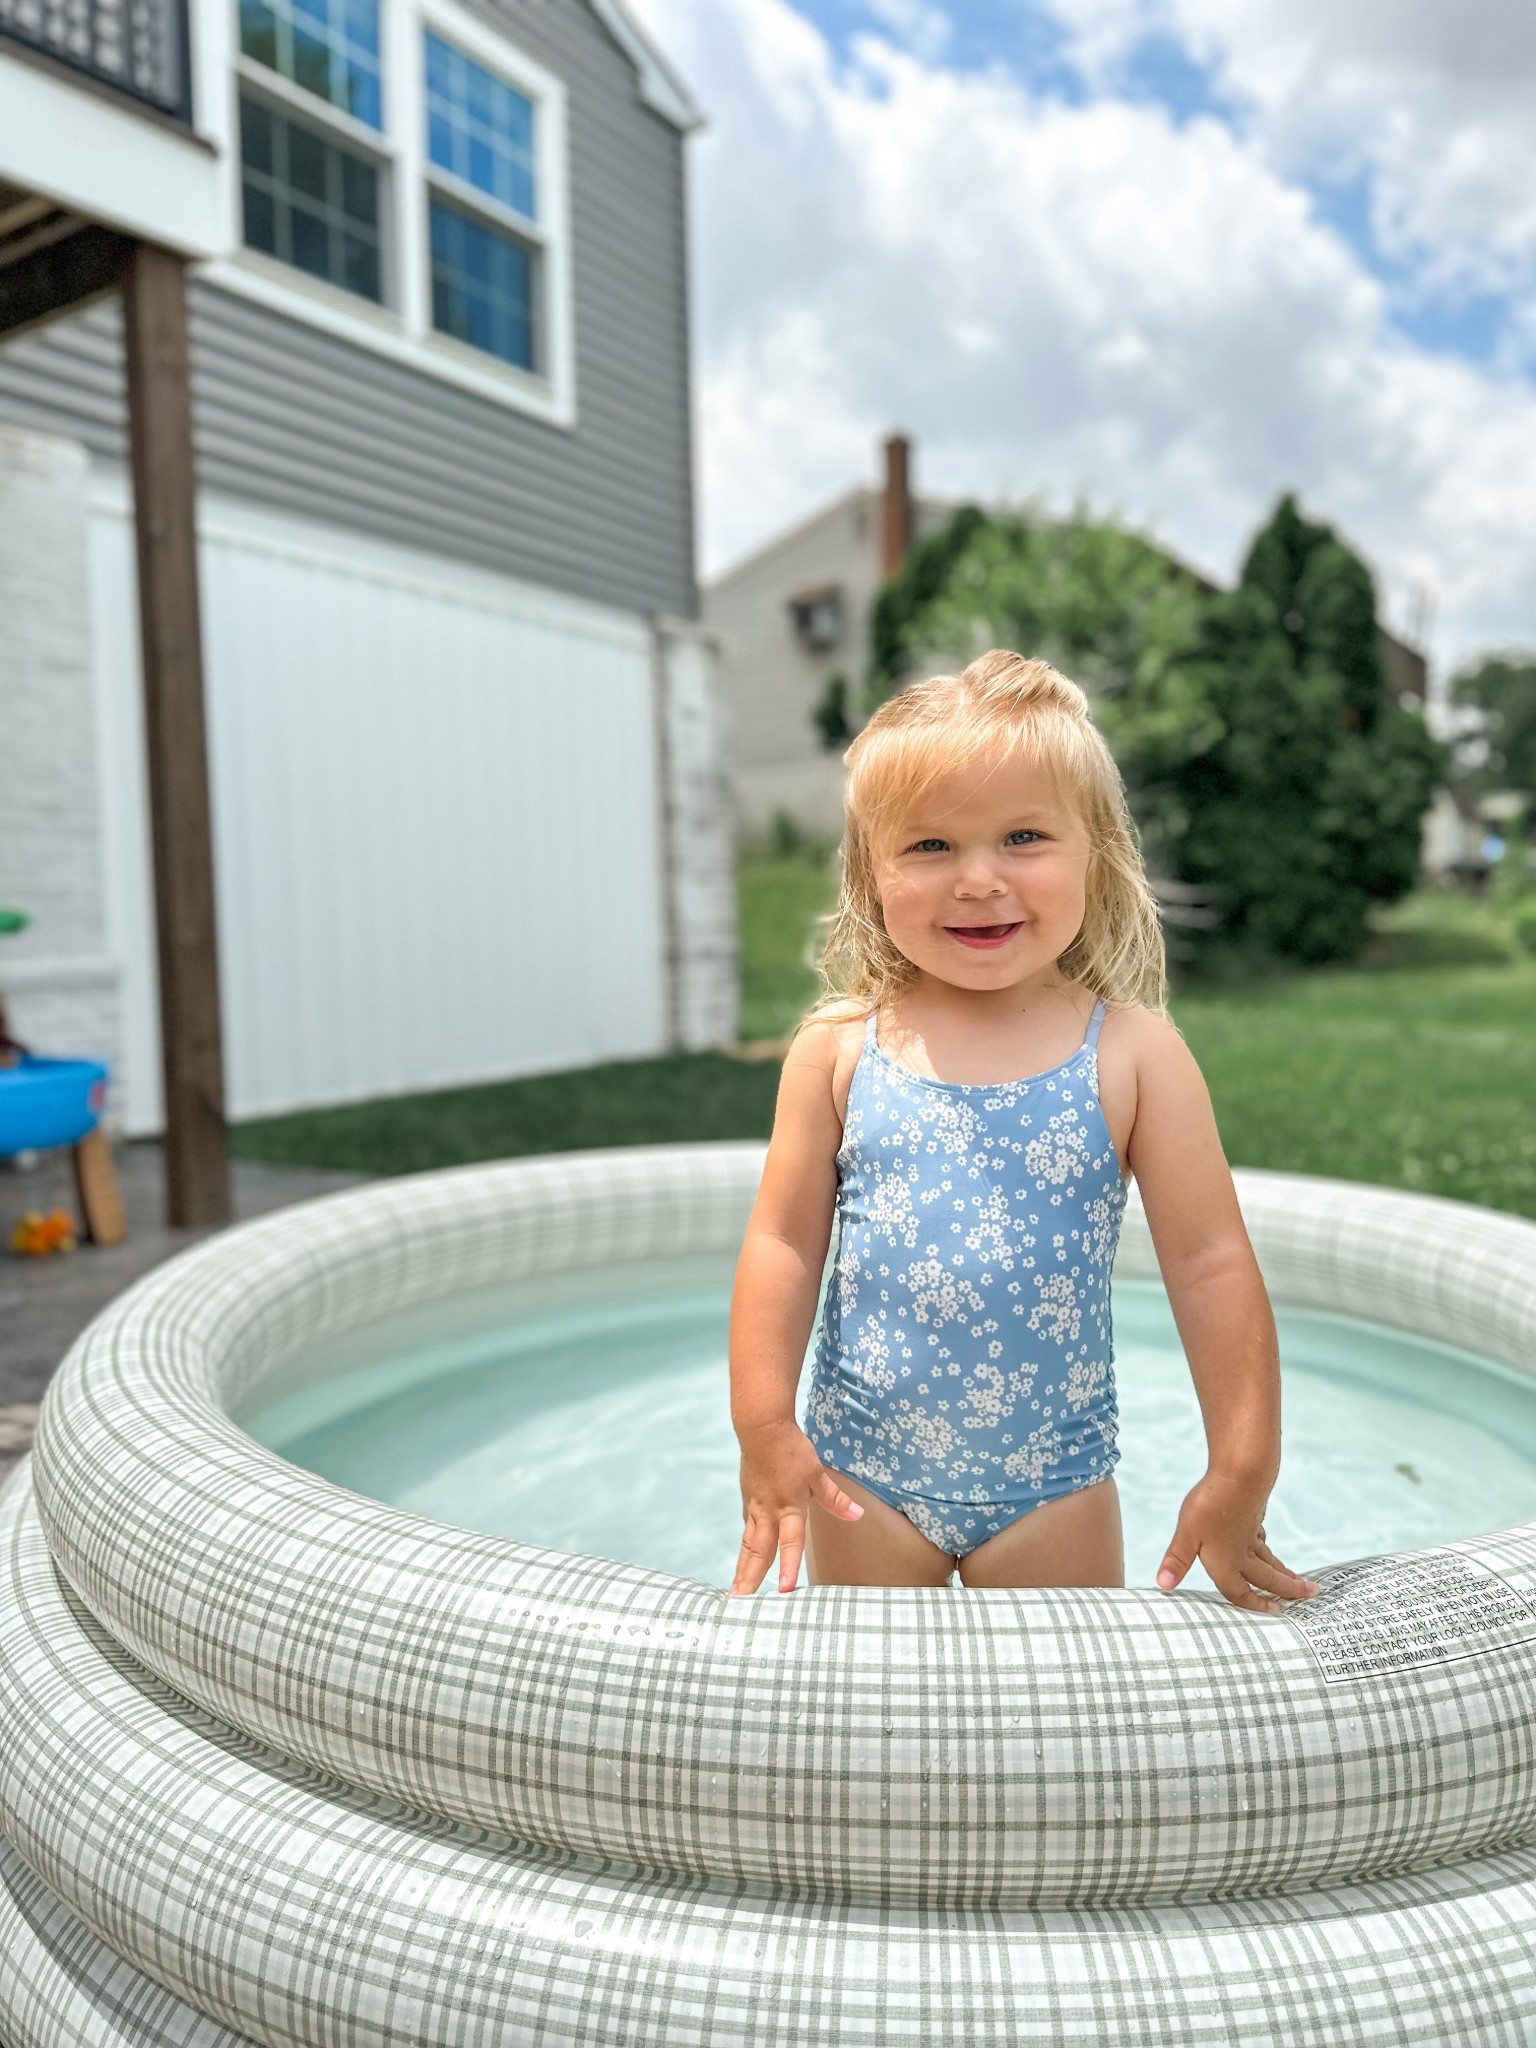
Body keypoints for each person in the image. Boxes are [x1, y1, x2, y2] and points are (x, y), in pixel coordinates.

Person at [726, 649, 1320, 1612]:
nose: (978, 880)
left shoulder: (1133, 1056)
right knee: (873, 1736)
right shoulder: (839, 1051)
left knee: (1060, 1753)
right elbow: (784, 1243)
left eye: (1024, 837)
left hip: (1054, 1488)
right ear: (870, 873)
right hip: (862, 1479)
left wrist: (1242, 1461)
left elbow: (1210, 1260)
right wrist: (764, 1425)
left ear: (1099, 852)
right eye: (929, 847)